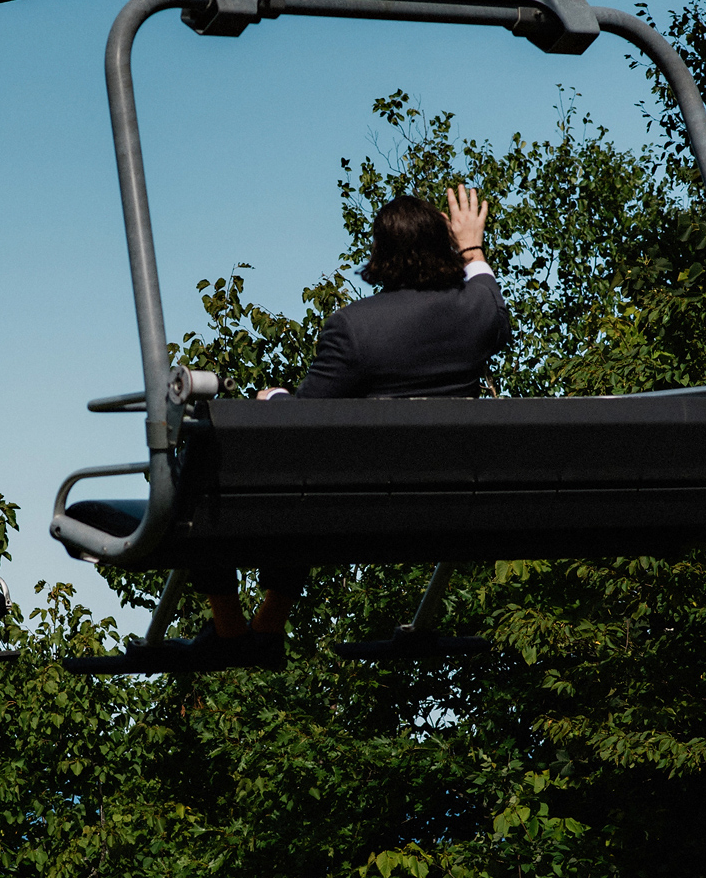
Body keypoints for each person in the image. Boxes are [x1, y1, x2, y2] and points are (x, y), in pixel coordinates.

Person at [195, 184, 512, 660]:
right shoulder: (481, 312)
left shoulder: (354, 326)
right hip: (455, 510)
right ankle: (264, 625)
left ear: (380, 254)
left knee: (215, 453)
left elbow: (304, 424)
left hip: (361, 512)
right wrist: (471, 245)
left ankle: (232, 627)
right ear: (443, 246)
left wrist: (273, 397)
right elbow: (484, 286)